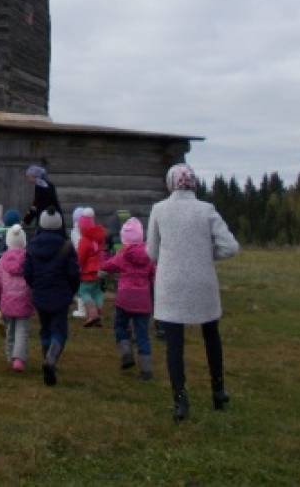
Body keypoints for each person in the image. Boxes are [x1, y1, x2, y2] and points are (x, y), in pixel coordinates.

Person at [148, 162, 239, 422]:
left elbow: (152, 252)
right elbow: (230, 247)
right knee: (211, 336)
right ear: (194, 183)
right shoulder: (206, 210)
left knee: (174, 345)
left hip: (171, 285)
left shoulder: (159, 210)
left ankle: (180, 401)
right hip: (203, 282)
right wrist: (206, 254)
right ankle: (218, 391)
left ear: (170, 183)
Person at [24, 207, 79, 386]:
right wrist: (72, 290)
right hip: (61, 296)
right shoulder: (66, 246)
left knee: (45, 328)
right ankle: (51, 358)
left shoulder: (32, 246)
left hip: (40, 294)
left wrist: (35, 286)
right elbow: (73, 274)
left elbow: (27, 273)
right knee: (59, 330)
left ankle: (47, 356)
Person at [100, 216, 156, 380]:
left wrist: (103, 254)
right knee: (142, 334)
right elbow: (154, 275)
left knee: (119, 326)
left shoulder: (122, 255)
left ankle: (126, 352)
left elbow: (106, 266)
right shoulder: (149, 255)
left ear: (124, 238)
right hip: (143, 301)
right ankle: (146, 370)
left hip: (124, 298)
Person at [0, 223, 33, 372]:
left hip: (7, 302)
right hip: (24, 301)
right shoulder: (29, 261)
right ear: (24, 242)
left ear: (8, 242)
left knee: (10, 330)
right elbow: (35, 280)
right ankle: (18, 358)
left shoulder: (1, 262)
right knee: (22, 330)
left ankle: (10, 355)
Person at [76, 212, 107, 328]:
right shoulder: (98, 238)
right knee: (97, 292)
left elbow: (80, 257)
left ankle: (92, 315)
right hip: (99, 271)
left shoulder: (84, 240)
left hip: (87, 272)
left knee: (83, 292)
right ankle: (98, 315)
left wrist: (77, 267)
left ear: (82, 227)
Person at [69, 206, 94, 319]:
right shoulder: (83, 232)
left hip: (81, 264)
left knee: (82, 288)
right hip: (88, 264)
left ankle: (82, 310)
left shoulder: (75, 232)